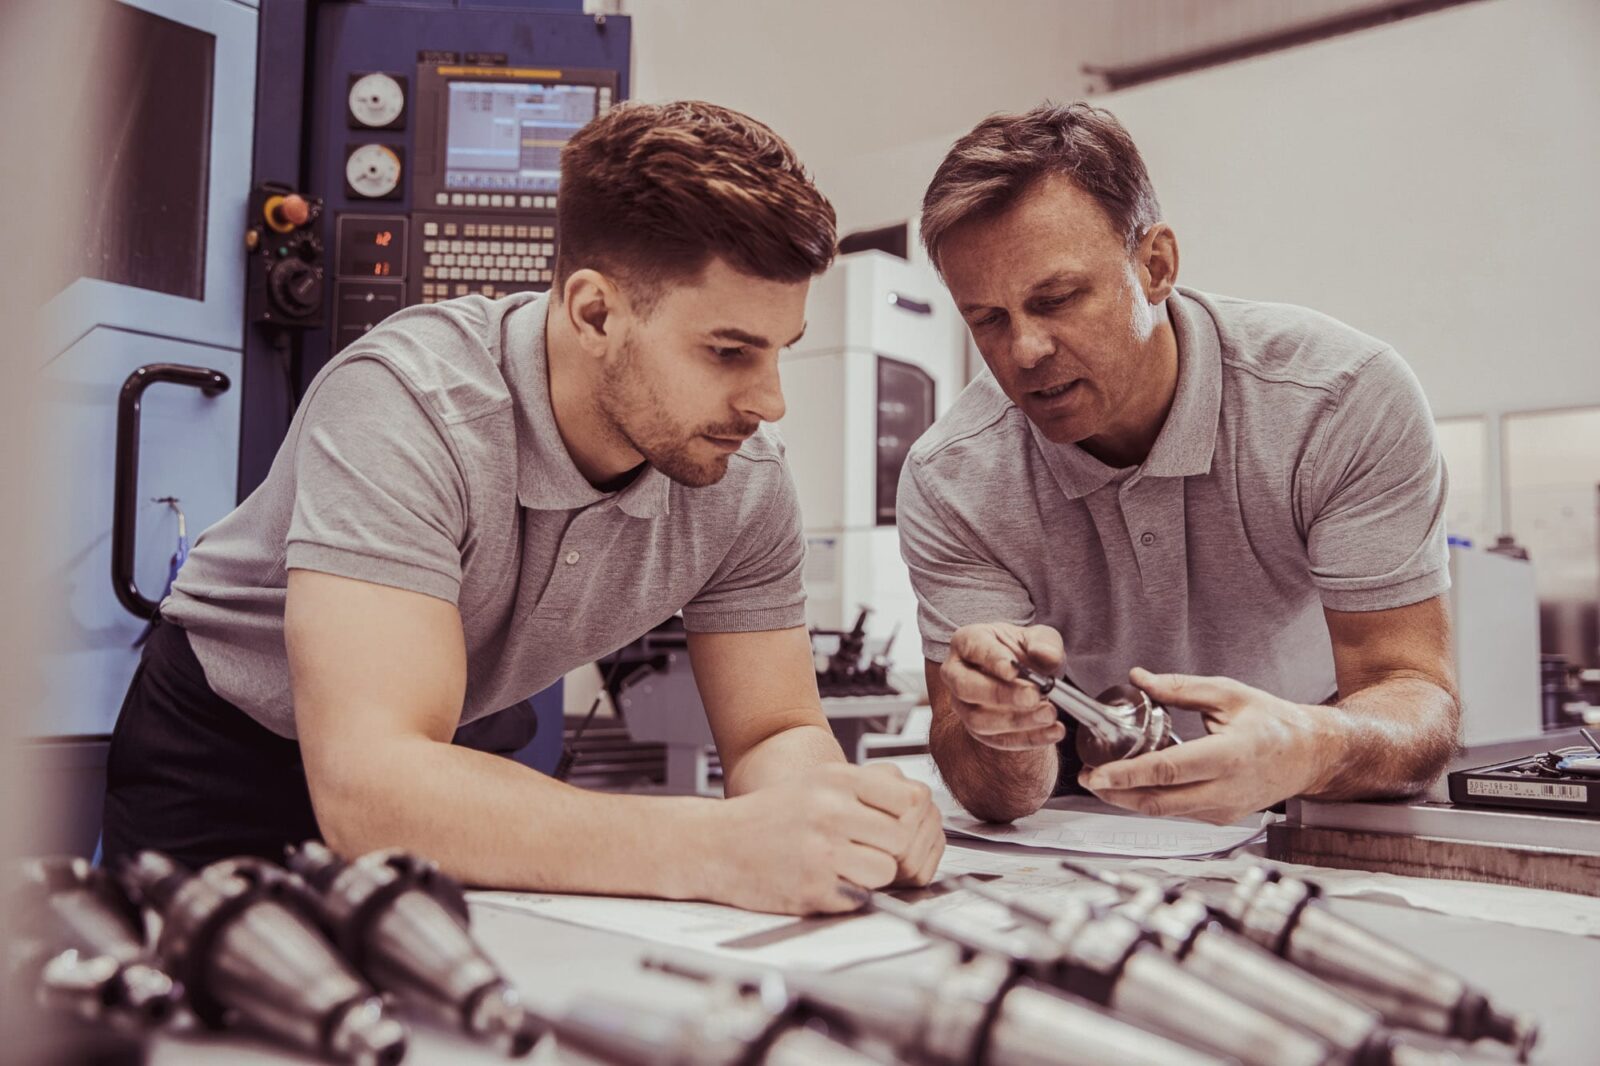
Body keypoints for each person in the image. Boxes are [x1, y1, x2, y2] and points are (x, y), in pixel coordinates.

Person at [102, 100, 943, 915]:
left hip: (434, 754)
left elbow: (771, 734)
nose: (769, 402)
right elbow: (373, 794)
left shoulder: (744, 479)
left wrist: (843, 818)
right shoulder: (408, 403)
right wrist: (722, 845)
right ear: (595, 312)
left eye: (778, 352)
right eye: (728, 352)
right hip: (231, 750)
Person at [899, 102, 1459, 826]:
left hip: (1328, 787)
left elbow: (1412, 692)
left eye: (1058, 299)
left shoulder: (1340, 398)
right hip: (1103, 813)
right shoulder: (953, 478)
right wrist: (997, 731)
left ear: (1155, 265)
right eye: (988, 320)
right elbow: (988, 791)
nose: (1025, 351)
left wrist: (1306, 747)